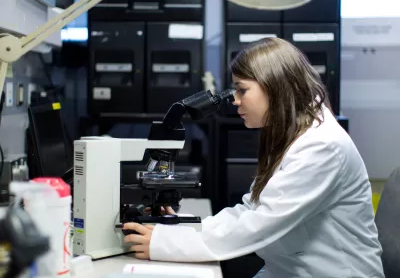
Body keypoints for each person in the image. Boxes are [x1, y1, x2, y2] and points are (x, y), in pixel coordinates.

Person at [122, 38, 385, 277]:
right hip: (289, 269)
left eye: (242, 90)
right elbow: (251, 210)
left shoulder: (322, 146)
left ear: (274, 86)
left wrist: (165, 244)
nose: (235, 100)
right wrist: (183, 230)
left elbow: (259, 225)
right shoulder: (292, 132)